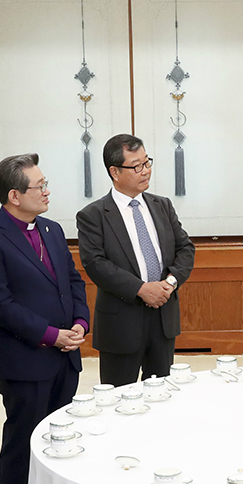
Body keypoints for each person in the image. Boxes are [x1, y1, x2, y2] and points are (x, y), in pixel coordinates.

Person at [0, 154, 89, 484]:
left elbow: (73, 282)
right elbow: (0, 306)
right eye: (40, 186)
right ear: (14, 195)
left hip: (65, 355)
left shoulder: (52, 230)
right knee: (24, 437)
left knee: (61, 436)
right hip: (25, 359)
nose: (47, 191)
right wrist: (49, 334)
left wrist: (79, 324)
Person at [76, 134, 194, 386]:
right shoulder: (93, 215)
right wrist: (141, 289)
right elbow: (96, 264)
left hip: (163, 318)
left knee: (162, 395)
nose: (145, 171)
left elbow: (185, 248)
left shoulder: (162, 206)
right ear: (115, 172)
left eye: (147, 163)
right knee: (119, 399)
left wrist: (169, 283)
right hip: (121, 324)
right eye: (136, 166)